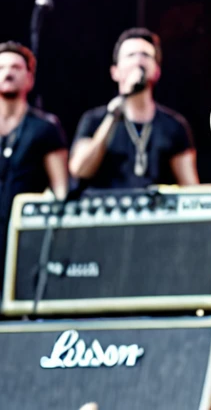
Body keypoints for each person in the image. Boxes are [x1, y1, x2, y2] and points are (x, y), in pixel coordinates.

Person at [69, 27, 199, 189]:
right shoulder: (94, 120)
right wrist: (114, 115)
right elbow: (80, 170)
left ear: (157, 71)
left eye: (146, 55)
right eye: (131, 55)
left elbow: (191, 188)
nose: (138, 60)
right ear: (114, 72)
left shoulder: (175, 125)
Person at [0, 41, 68, 292]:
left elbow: (61, 189)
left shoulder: (45, 127)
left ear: (29, 78)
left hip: (23, 238)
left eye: (16, 67)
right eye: (2, 67)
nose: (7, 72)